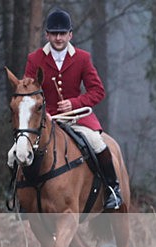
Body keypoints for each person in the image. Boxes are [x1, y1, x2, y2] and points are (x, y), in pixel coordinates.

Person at [24, 8, 122, 210]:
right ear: (47, 35)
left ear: (70, 35)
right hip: (45, 119)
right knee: (18, 151)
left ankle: (112, 190)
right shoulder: (35, 59)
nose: (58, 38)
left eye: (62, 33)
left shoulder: (82, 58)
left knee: (98, 144)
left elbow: (98, 91)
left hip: (77, 117)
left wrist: (74, 103)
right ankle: (23, 199)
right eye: (54, 33)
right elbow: (28, 92)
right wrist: (41, 113)